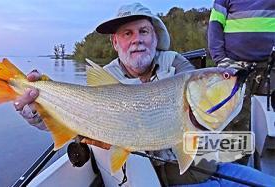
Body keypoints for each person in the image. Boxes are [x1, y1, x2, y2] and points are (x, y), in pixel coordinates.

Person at [14, 2, 275, 186]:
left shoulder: (179, 68)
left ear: (155, 38)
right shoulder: (101, 80)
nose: (136, 39)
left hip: (202, 174)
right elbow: (74, 119)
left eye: (143, 31)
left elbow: (208, 126)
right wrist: (38, 114)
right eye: (127, 34)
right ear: (115, 43)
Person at [208, 0, 275, 152]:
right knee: (234, 124)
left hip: (270, 68)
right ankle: (236, 165)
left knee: (269, 125)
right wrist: (221, 59)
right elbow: (215, 25)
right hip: (234, 69)